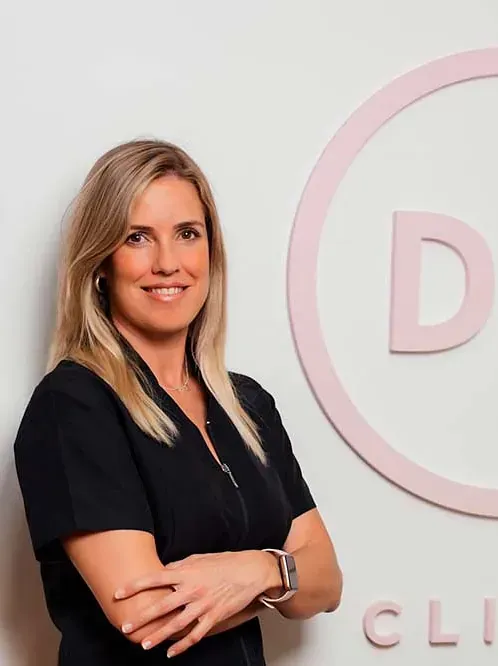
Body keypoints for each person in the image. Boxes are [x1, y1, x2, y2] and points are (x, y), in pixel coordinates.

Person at [13, 138, 343, 665]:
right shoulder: (73, 406)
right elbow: (148, 617)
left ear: (211, 253)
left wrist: (258, 569)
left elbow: (326, 583)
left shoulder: (248, 405)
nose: (168, 263)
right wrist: (284, 575)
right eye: (137, 237)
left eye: (187, 234)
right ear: (100, 262)